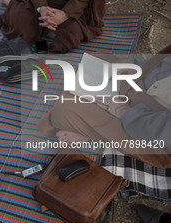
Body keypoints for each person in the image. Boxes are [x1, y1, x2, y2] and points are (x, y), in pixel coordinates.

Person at [37, 45, 171, 168]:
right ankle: (86, 124)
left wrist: (123, 111)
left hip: (152, 125)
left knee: (63, 110)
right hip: (149, 83)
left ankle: (85, 128)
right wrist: (139, 70)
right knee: (98, 59)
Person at [0, 0, 109, 53]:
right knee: (22, 28)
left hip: (73, 6)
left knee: (66, 39)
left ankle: (44, 25)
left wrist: (64, 14)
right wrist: (42, 8)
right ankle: (14, 2)